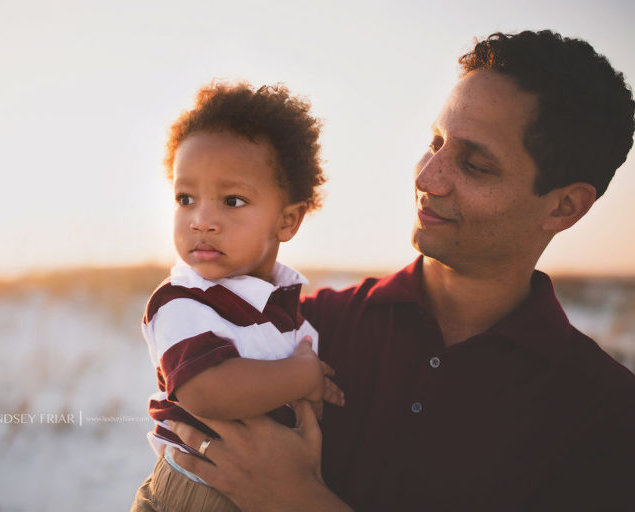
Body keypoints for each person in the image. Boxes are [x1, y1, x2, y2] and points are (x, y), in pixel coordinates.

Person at [168, 30, 635, 511]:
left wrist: (299, 500)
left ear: (563, 207)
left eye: (474, 164)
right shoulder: (304, 330)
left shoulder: (605, 415)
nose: (426, 177)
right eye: (435, 142)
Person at [131, 82, 345, 511]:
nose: (203, 220)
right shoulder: (183, 301)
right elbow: (206, 391)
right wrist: (303, 377)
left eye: (232, 200)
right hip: (194, 493)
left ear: (287, 220)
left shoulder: (281, 309)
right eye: (185, 198)